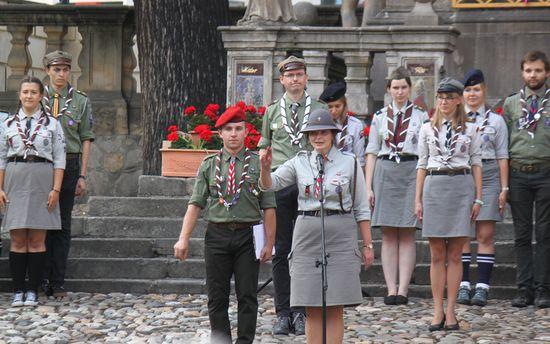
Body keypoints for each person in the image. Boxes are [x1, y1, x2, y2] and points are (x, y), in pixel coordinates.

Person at [259, 108, 374, 344]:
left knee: (335, 304)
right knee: (311, 303)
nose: (318, 137)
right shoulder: (299, 162)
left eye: (323, 132)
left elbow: (361, 207)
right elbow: (271, 184)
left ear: (332, 134)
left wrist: (368, 244)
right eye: (312, 134)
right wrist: (264, 168)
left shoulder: (349, 163)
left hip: (341, 231)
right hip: (307, 231)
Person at [174, 105, 276, 344]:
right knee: (216, 296)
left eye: (238, 128)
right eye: (228, 129)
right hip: (217, 236)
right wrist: (183, 238)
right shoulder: (209, 165)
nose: (233, 134)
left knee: (247, 295)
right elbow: (195, 203)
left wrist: (270, 243)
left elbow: (269, 205)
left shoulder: (257, 163)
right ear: (220, 133)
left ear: (246, 131)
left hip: (247, 236)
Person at [258, 55, 327, 335]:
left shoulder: (319, 108)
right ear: (282, 80)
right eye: (290, 76)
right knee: (281, 249)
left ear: (307, 78)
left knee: (306, 250)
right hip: (280, 186)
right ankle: (282, 312)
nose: (295, 80)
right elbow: (265, 143)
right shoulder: (273, 111)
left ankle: (301, 311)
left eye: (300, 75)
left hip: (309, 184)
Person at [415, 78, 482, 331]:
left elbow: (476, 162)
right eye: (440, 97)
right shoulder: (426, 129)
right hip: (435, 185)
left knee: (456, 253)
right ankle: (437, 310)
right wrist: (417, 199)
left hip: (461, 186)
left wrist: (478, 197)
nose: (443, 102)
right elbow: (422, 164)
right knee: (436, 254)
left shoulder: (471, 129)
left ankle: (452, 310)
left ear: (458, 100)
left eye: (449, 97)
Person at [365, 66, 429, 305]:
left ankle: (403, 289)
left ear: (409, 88)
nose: (400, 92)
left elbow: (426, 151)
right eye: (395, 87)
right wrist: (369, 186)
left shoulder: (421, 116)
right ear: (389, 90)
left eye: (403, 87)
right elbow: (371, 152)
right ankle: (390, 288)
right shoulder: (380, 116)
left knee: (408, 232)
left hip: (411, 170)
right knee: (389, 233)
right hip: (386, 171)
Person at [0, 76, 66, 307]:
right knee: (17, 237)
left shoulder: (52, 125)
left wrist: (55, 189)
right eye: (25, 92)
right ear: (19, 95)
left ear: (41, 96)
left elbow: (60, 159)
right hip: (15, 176)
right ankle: (18, 289)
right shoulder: (7, 125)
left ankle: (32, 290)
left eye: (33, 92)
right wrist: (0, 188)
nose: (29, 96)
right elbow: (0, 158)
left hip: (42, 176)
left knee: (37, 239)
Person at [41, 50, 95, 298]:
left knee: (62, 223)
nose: (61, 74)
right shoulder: (36, 97)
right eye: (56, 69)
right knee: (40, 221)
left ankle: (58, 281)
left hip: (71, 163)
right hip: (41, 165)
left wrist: (82, 175)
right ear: (47, 71)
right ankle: (40, 278)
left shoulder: (80, 101)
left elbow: (85, 139)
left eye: (65, 69)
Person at [457, 69, 509, 307]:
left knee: (485, 234)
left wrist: (504, 187)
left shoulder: (496, 120)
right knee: (463, 233)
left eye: (476, 89)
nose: (472, 94)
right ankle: (464, 284)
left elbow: (502, 156)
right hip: (464, 174)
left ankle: (483, 287)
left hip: (488, 175)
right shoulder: (456, 118)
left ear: (484, 90)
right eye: (468, 90)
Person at [503, 50, 550, 309]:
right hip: (519, 173)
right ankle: (524, 288)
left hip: (546, 172)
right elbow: (504, 143)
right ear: (522, 73)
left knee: (544, 233)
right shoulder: (511, 104)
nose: (533, 75)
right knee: (521, 234)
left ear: (547, 73)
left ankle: (543, 288)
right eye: (529, 70)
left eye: (538, 70)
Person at [319, 81, 366, 167]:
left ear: (344, 105)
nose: (333, 110)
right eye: (330, 107)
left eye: (337, 106)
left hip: (348, 169)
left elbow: (359, 157)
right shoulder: (321, 124)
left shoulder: (355, 125)